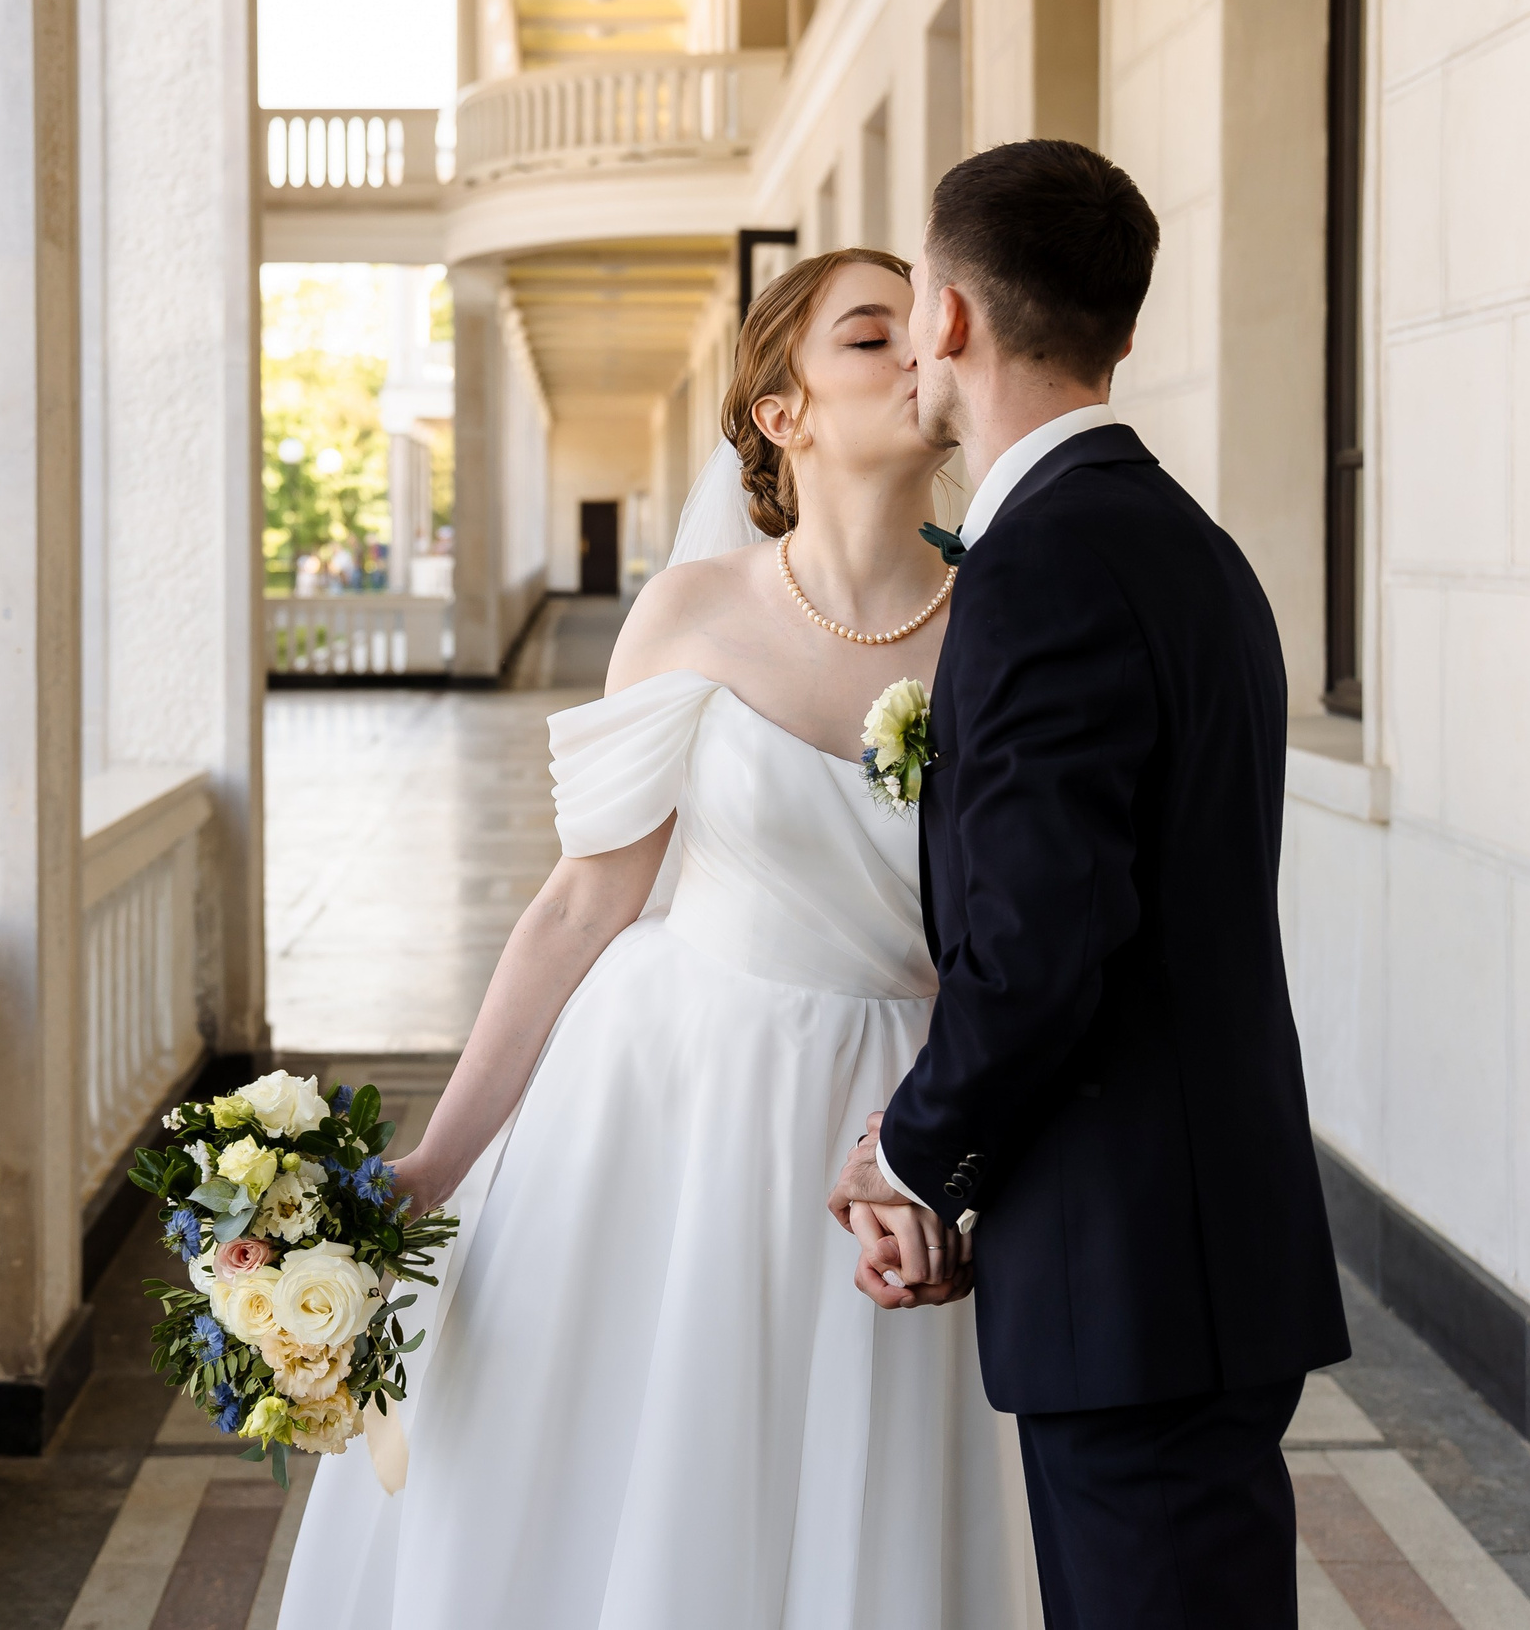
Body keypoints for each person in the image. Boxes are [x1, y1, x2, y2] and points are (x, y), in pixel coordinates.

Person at [276, 247, 1040, 1629]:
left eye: (922, 330)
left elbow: (1029, 936)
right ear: (782, 413)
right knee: (647, 1470)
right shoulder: (691, 611)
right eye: (869, 335)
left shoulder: (1005, 619)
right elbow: (584, 901)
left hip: (897, 1116)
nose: (917, 353)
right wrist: (439, 1158)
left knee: (863, 1493)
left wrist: (959, 1158)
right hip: (672, 1098)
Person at [826, 139, 1350, 1626]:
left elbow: (1042, 948)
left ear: (947, 317)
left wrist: (910, 1155)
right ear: (1118, 328)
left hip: (1136, 1277)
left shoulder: (1044, 565)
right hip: (1193, 1248)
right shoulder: (1188, 546)